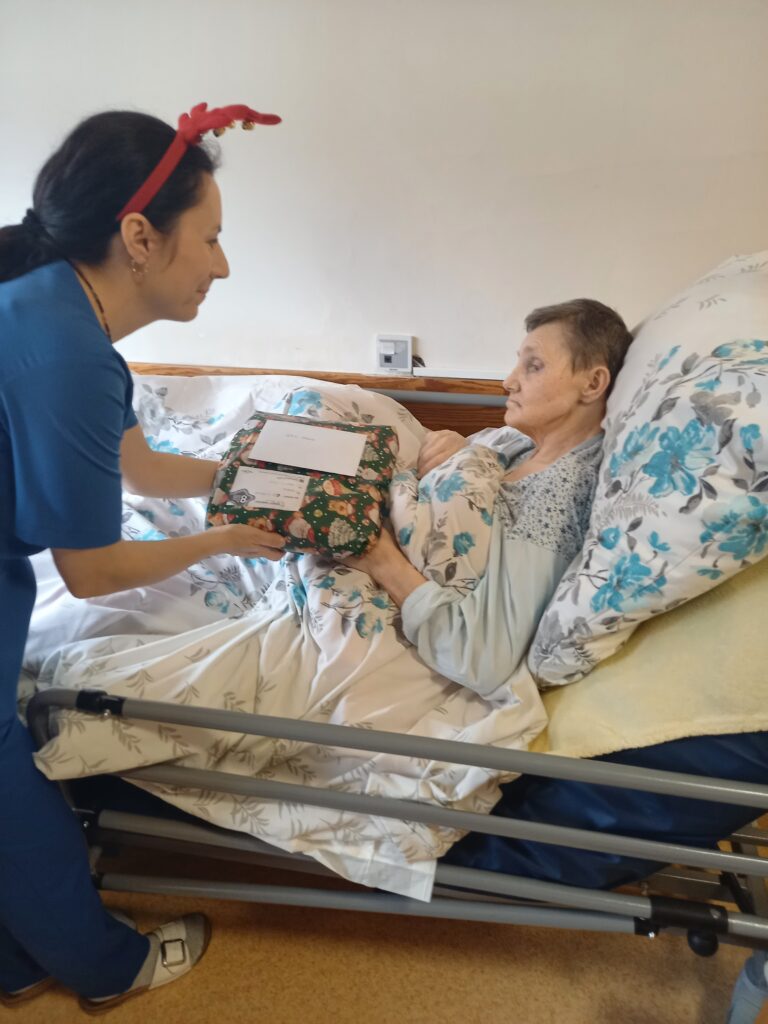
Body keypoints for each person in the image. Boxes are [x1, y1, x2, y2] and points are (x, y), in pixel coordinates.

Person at [0, 102, 286, 1012]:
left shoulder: (62, 312)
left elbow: (142, 466)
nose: (222, 265)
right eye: (211, 238)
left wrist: (250, 479)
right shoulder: (67, 352)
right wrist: (228, 538)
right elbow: (93, 572)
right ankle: (104, 966)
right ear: (139, 237)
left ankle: (16, 961)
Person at [351, 299, 632, 700]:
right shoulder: (521, 443)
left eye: (533, 366)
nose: (509, 381)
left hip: (374, 585)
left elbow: (481, 657)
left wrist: (380, 557)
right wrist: (460, 447)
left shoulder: (559, 491)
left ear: (592, 384)